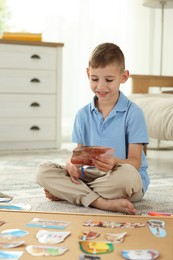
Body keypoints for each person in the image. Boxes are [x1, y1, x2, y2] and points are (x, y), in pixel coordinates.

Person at [36, 42, 150, 215]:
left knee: (128, 176)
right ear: (88, 74)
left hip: (120, 177)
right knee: (43, 171)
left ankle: (74, 194)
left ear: (124, 77)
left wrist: (114, 162)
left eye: (109, 80)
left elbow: (135, 162)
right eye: (95, 79)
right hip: (91, 177)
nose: (101, 87)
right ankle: (101, 202)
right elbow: (78, 155)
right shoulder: (82, 114)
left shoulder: (133, 113)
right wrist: (70, 166)